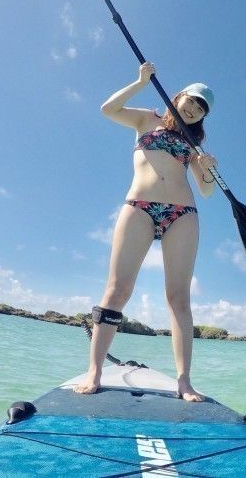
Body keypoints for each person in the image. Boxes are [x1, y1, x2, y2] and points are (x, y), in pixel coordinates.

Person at [74, 61, 216, 401]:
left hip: (182, 213)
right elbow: (109, 109)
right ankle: (94, 369)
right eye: (192, 101)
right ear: (179, 97)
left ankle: (184, 381)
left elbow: (206, 190)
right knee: (117, 290)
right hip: (138, 206)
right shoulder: (146, 119)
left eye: (201, 108)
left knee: (178, 297)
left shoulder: (194, 146)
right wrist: (140, 81)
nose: (195, 109)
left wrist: (208, 169)